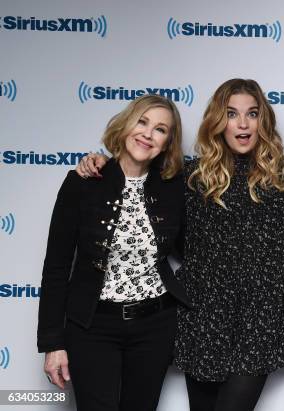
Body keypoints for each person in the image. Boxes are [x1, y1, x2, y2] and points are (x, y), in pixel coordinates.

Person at [75, 78, 284, 411]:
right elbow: (138, 174)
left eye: (252, 113)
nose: (243, 123)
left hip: (261, 323)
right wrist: (100, 162)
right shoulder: (190, 177)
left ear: (264, 120)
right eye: (231, 114)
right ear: (218, 121)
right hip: (203, 320)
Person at [37, 94, 191, 411]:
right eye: (143, 122)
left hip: (155, 326)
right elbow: (56, 267)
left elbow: (194, 247)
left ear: (167, 143)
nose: (148, 134)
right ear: (126, 124)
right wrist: (53, 343)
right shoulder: (83, 181)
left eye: (161, 129)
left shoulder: (175, 186)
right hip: (92, 326)